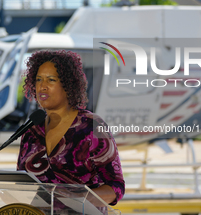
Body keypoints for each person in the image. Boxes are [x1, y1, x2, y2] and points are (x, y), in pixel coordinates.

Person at [17, 50, 125, 206]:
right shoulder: (31, 130)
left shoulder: (91, 126)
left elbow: (116, 186)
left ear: (68, 84)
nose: (43, 86)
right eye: (39, 79)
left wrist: (78, 200)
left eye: (51, 80)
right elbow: (21, 185)